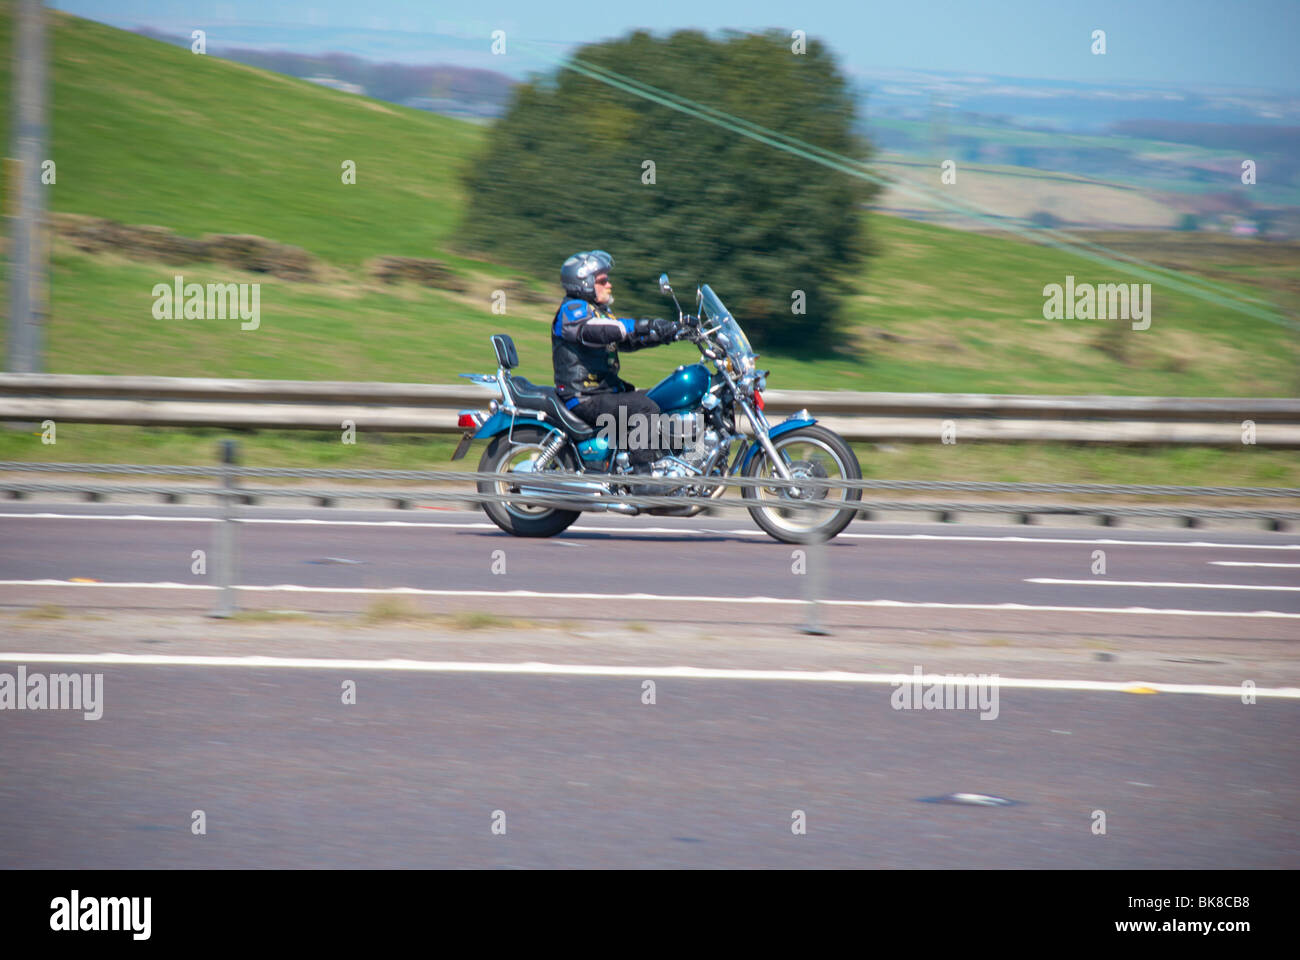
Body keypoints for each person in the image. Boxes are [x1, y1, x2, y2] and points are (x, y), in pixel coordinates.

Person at [552, 250, 683, 479]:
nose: (609, 285)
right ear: (584, 283)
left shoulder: (598, 312)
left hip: (603, 390)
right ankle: (642, 479)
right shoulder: (573, 310)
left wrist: (670, 333)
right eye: (602, 280)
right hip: (584, 395)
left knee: (661, 400)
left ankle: (664, 464)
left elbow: (627, 339)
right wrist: (647, 323)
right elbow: (601, 330)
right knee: (644, 408)